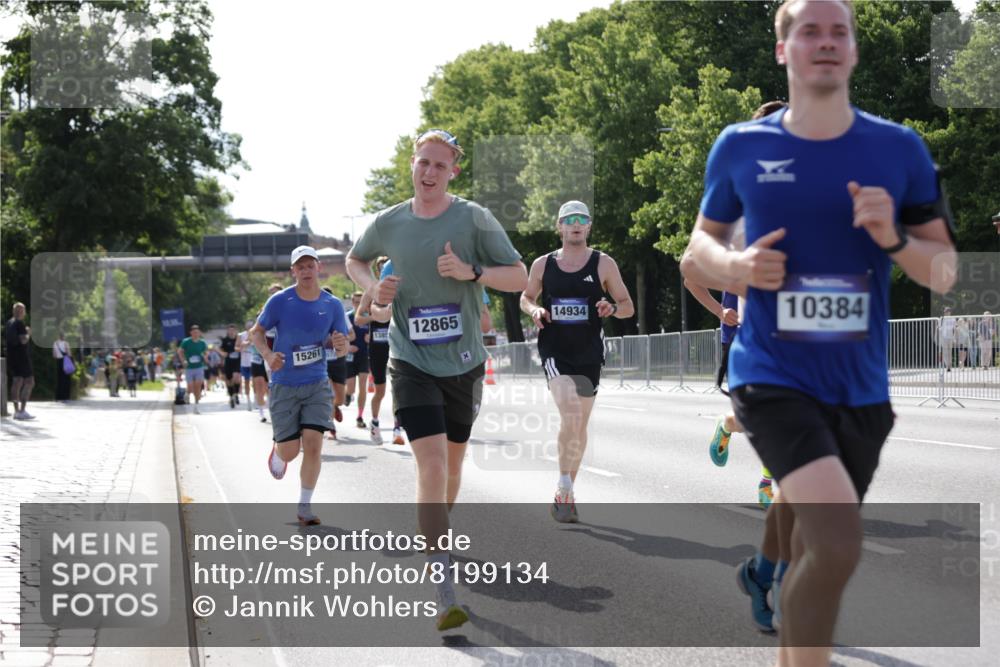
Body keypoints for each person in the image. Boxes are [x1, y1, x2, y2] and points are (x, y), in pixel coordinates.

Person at [680, 1, 957, 664]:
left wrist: (891, 237)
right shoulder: (741, 146)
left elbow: (944, 270)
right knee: (836, 542)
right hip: (771, 375)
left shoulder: (899, 150)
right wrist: (737, 267)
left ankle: (773, 601)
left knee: (812, 547)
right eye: (809, 31)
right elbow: (697, 252)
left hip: (860, 389)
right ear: (784, 50)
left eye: (840, 31)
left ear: (855, 50)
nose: (826, 42)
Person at [346, 128, 527, 631]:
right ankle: (443, 589)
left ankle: (433, 527)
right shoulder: (389, 222)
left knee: (450, 467)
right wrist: (372, 285)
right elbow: (355, 259)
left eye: (439, 166)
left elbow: (519, 276)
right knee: (428, 464)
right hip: (410, 361)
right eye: (422, 163)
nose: (428, 173)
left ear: (453, 171)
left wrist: (471, 272)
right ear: (412, 163)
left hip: (464, 362)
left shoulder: (473, 218)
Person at [519, 200, 633, 523]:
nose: (575, 223)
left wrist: (612, 308)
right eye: (569, 219)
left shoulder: (603, 263)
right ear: (559, 227)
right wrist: (535, 310)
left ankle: (566, 492)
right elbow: (526, 297)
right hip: (555, 349)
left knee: (579, 425)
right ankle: (563, 483)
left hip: (589, 353)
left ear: (589, 227)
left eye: (581, 219)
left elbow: (628, 306)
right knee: (569, 410)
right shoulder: (543, 265)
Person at [254, 246, 349, 527]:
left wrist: (340, 345)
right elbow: (256, 333)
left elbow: (340, 344)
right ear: (293, 271)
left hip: (317, 382)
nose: (306, 271)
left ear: (319, 268)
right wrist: (269, 356)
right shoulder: (280, 301)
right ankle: (279, 452)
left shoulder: (332, 305)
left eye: (311, 266)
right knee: (291, 451)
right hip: (284, 384)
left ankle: (305, 506)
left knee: (314, 445)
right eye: (301, 267)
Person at [321, 286, 348, 440]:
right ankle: (331, 425)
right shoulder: (314, 315)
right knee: (329, 395)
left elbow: (350, 334)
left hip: (338, 360)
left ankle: (336, 407)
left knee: (340, 399)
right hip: (323, 362)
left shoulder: (339, 315)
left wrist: (341, 339)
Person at [344, 292, 371, 430]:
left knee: (362, 386)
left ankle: (360, 416)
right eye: (355, 301)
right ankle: (347, 395)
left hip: (364, 356)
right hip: (350, 356)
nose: (358, 304)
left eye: (361, 301)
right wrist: (348, 346)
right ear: (352, 302)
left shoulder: (369, 318)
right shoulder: (347, 317)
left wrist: (370, 338)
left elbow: (377, 334)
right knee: (351, 388)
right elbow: (340, 336)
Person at [6, 302, 35, 420]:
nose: (24, 313)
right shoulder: (19, 323)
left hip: (12, 357)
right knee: (29, 382)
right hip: (22, 357)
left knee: (16, 382)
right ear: (21, 312)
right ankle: (22, 411)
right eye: (23, 311)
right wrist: (28, 333)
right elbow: (23, 341)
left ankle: (16, 411)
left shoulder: (9, 323)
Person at [177, 325, 208, 414]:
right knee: (190, 387)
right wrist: (183, 360)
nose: (196, 334)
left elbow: (206, 352)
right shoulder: (186, 341)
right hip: (189, 368)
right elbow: (180, 351)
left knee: (198, 386)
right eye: (194, 332)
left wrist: (205, 357)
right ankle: (187, 393)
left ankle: (196, 406)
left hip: (199, 367)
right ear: (191, 333)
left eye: (197, 332)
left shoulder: (202, 342)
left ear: (199, 333)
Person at [220, 324, 242, 408]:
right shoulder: (225, 340)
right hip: (228, 362)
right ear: (227, 331)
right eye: (230, 330)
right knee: (229, 381)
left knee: (236, 377)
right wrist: (222, 353)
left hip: (237, 362)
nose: (231, 332)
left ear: (236, 331)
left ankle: (236, 394)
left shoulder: (239, 339)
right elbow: (221, 350)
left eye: (233, 330)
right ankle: (231, 396)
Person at [237, 321, 255, 411]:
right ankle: (248, 401)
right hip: (244, 362)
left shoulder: (257, 334)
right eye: (248, 325)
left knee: (256, 381)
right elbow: (236, 347)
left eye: (251, 325)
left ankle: (256, 399)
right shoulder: (241, 335)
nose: (250, 327)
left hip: (255, 361)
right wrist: (243, 346)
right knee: (247, 382)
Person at [52, 332, 72, 402]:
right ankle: (65, 397)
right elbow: (69, 354)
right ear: (64, 336)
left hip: (58, 362)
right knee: (66, 380)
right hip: (65, 362)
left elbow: (54, 355)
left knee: (59, 379)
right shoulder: (66, 343)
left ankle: (58, 397)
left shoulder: (55, 343)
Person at [938, 306, 956, 371]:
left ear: (950, 312)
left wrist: (954, 338)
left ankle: (949, 365)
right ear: (944, 312)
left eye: (948, 312)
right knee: (945, 352)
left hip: (950, 337)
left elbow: (954, 329)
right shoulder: (941, 319)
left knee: (950, 352)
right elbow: (939, 328)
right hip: (944, 337)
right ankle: (947, 365)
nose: (947, 313)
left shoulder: (953, 319)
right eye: (946, 312)